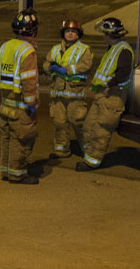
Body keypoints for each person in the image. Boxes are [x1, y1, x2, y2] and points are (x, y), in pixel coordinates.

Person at [78, 17, 134, 171]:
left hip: (113, 96)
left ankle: (92, 162)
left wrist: (110, 85)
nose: (103, 37)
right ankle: (89, 155)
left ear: (109, 35)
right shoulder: (114, 48)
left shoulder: (123, 51)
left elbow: (124, 73)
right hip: (103, 94)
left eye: (104, 34)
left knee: (101, 130)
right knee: (89, 127)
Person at [0, 11, 40, 184]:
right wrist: (31, 104)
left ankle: (6, 171)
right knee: (21, 140)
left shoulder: (5, 46)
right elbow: (29, 81)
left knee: (6, 138)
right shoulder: (27, 51)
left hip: (5, 104)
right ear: (33, 31)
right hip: (21, 105)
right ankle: (17, 174)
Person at [45, 19, 93, 159]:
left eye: (73, 31)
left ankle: (88, 150)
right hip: (57, 93)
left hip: (75, 94)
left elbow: (86, 65)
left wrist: (66, 70)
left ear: (78, 35)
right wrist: (50, 68)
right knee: (59, 122)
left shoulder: (84, 50)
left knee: (78, 122)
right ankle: (61, 150)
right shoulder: (55, 49)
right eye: (68, 31)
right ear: (63, 33)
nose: (70, 33)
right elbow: (46, 64)